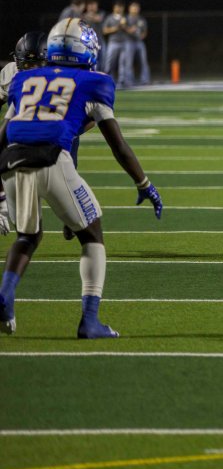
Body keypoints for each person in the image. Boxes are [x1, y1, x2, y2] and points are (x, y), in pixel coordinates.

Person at [0, 19, 163, 337]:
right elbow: (118, 146)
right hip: (51, 158)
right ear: (85, 49)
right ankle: (89, 321)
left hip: (10, 162)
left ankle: (5, 297)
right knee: (92, 234)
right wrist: (144, 183)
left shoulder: (24, 77)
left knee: (27, 236)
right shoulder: (95, 82)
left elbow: (4, 135)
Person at [0, 33, 48, 233]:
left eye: (36, 64)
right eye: (26, 64)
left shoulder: (62, 74)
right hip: (19, 138)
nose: (30, 69)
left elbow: (89, 119)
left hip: (55, 141)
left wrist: (68, 132)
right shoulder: (11, 73)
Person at [101, 0, 129, 83]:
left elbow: (129, 30)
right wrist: (116, 28)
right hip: (113, 42)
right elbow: (105, 30)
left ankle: (122, 81)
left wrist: (124, 26)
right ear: (114, 8)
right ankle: (107, 79)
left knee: (123, 63)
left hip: (124, 42)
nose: (119, 9)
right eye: (117, 7)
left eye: (121, 7)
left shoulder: (125, 17)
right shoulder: (110, 18)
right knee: (109, 62)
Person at [123, 1, 151, 86]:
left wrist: (143, 36)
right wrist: (129, 30)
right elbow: (122, 27)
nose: (135, 9)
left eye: (137, 7)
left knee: (143, 61)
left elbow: (145, 31)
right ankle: (129, 81)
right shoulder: (126, 18)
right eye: (133, 7)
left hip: (139, 41)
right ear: (129, 8)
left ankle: (145, 80)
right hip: (129, 41)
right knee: (128, 62)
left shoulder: (141, 19)